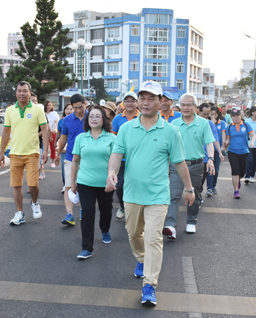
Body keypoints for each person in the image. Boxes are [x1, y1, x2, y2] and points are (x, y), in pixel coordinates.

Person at [106, 80, 194, 306]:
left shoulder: (171, 131)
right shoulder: (126, 128)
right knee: (135, 235)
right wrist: (111, 172)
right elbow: (117, 154)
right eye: (142, 98)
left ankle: (149, 285)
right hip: (132, 194)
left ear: (160, 101)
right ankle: (141, 259)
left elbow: (180, 163)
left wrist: (189, 188)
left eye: (151, 98)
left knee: (154, 238)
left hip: (158, 195)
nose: (145, 102)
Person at [165, 94, 215, 238]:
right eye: (183, 104)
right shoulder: (173, 124)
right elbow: (168, 147)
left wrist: (210, 159)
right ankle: (170, 226)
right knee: (173, 195)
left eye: (189, 105)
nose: (185, 107)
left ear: (195, 107)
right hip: (176, 166)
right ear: (179, 106)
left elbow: (209, 142)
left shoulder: (203, 123)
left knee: (194, 194)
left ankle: (191, 221)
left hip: (196, 165)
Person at [0, 81, 48, 225]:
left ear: (29, 93)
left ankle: (34, 202)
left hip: (32, 152)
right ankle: (19, 213)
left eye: (24, 91)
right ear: (16, 92)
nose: (22, 93)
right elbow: (6, 132)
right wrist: (1, 152)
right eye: (19, 90)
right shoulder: (10, 110)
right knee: (16, 185)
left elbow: (45, 130)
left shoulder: (38, 109)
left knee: (33, 184)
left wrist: (45, 150)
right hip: (15, 154)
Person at [72, 106, 116, 259]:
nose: (94, 119)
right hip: (85, 182)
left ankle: (105, 229)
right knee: (87, 213)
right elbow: (75, 161)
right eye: (91, 116)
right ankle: (87, 248)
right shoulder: (81, 138)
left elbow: (115, 162)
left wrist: (112, 178)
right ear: (87, 119)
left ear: (104, 119)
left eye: (98, 116)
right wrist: (73, 182)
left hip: (106, 183)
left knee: (106, 210)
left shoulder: (111, 138)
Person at [55, 94, 87, 226]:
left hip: (88, 159)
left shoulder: (92, 117)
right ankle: (69, 214)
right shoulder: (67, 120)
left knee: (85, 188)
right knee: (69, 185)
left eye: (81, 107)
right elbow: (63, 138)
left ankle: (83, 211)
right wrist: (57, 154)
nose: (78, 110)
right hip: (70, 157)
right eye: (75, 108)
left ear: (85, 104)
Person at [111, 92, 140, 220]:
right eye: (126, 101)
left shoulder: (142, 117)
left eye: (132, 101)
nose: (129, 103)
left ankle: (136, 209)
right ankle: (122, 206)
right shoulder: (117, 119)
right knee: (120, 186)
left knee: (137, 185)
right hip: (121, 159)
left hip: (138, 159)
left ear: (136, 103)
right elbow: (113, 138)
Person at [223, 110, 255, 199]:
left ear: (240, 116)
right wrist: (226, 143)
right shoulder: (229, 127)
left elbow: (253, 135)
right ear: (231, 117)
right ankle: (236, 191)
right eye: (234, 116)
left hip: (244, 152)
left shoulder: (246, 125)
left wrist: (252, 142)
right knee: (235, 172)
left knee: (242, 172)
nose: (236, 118)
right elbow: (228, 139)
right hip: (232, 152)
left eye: (237, 116)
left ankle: (238, 180)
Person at [197, 103, 224, 198]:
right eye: (204, 113)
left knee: (201, 180)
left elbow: (215, 140)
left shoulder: (210, 124)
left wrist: (220, 152)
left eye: (207, 114)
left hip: (205, 158)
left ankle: (199, 195)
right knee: (195, 181)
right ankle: (196, 197)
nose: (206, 116)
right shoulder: (192, 122)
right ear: (198, 111)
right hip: (193, 157)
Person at [207, 106, 227, 194]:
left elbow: (223, 134)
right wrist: (211, 123)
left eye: (214, 114)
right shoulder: (206, 123)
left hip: (217, 148)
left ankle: (213, 185)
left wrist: (223, 146)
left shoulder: (222, 123)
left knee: (217, 169)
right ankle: (209, 188)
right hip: (208, 149)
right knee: (209, 169)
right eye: (211, 114)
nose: (213, 116)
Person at [55, 103, 74, 193]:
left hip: (74, 147)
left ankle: (74, 185)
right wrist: (55, 142)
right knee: (64, 167)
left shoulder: (77, 121)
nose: (69, 111)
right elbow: (58, 133)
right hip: (63, 147)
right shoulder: (61, 121)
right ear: (64, 111)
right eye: (67, 109)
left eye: (71, 109)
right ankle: (65, 185)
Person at [44, 100, 60, 168]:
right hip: (44, 132)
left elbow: (56, 122)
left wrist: (55, 128)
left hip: (53, 132)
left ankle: (52, 161)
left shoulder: (54, 113)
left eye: (50, 105)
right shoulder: (42, 113)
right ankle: (43, 162)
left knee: (53, 147)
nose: (49, 107)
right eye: (48, 105)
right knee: (44, 147)